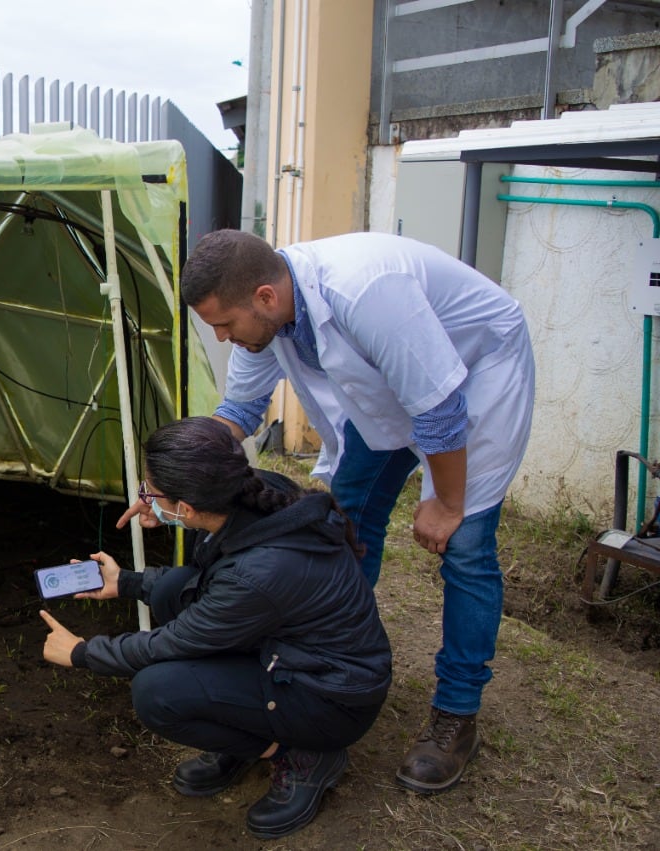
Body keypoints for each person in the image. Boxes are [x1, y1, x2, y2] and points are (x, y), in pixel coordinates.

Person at [132, 229, 535, 795]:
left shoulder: (367, 291)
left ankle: (456, 714)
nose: (221, 337)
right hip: (393, 390)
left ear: (265, 298)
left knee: (465, 548)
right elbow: (239, 413)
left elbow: (441, 408)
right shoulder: (266, 321)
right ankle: (329, 669)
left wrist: (444, 503)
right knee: (342, 519)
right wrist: (165, 491)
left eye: (224, 324)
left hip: (473, 371)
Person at [40, 416, 391, 840]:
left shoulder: (257, 574)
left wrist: (81, 652)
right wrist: (126, 582)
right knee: (173, 588)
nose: (145, 498)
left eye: (151, 491)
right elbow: (205, 586)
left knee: (157, 691)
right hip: (293, 651)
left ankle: (299, 756)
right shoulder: (252, 491)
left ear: (185, 507)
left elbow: (169, 644)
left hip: (331, 699)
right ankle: (246, 734)